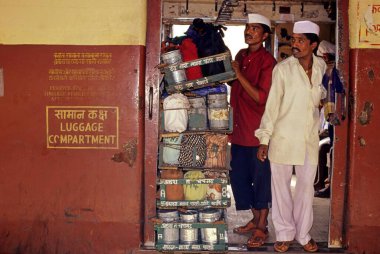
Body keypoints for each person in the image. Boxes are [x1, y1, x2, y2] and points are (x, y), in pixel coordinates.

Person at [255, 21, 327, 252]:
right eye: (293, 39)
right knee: (281, 189)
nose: (294, 44)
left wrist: (323, 99)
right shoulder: (283, 69)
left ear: (313, 44)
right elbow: (272, 106)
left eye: (300, 40)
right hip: (283, 138)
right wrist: (264, 139)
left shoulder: (321, 67)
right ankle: (284, 234)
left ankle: (304, 235)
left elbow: (322, 93)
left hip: (308, 139)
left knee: (306, 189)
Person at [229, 13, 276, 248]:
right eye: (248, 28)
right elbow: (235, 83)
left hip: (258, 134)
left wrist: (238, 74)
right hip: (237, 131)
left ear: (265, 35)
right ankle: (255, 220)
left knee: (261, 182)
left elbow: (260, 97)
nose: (249, 32)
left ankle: (261, 227)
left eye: (255, 29)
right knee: (238, 179)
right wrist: (229, 71)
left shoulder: (269, 62)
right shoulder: (241, 55)